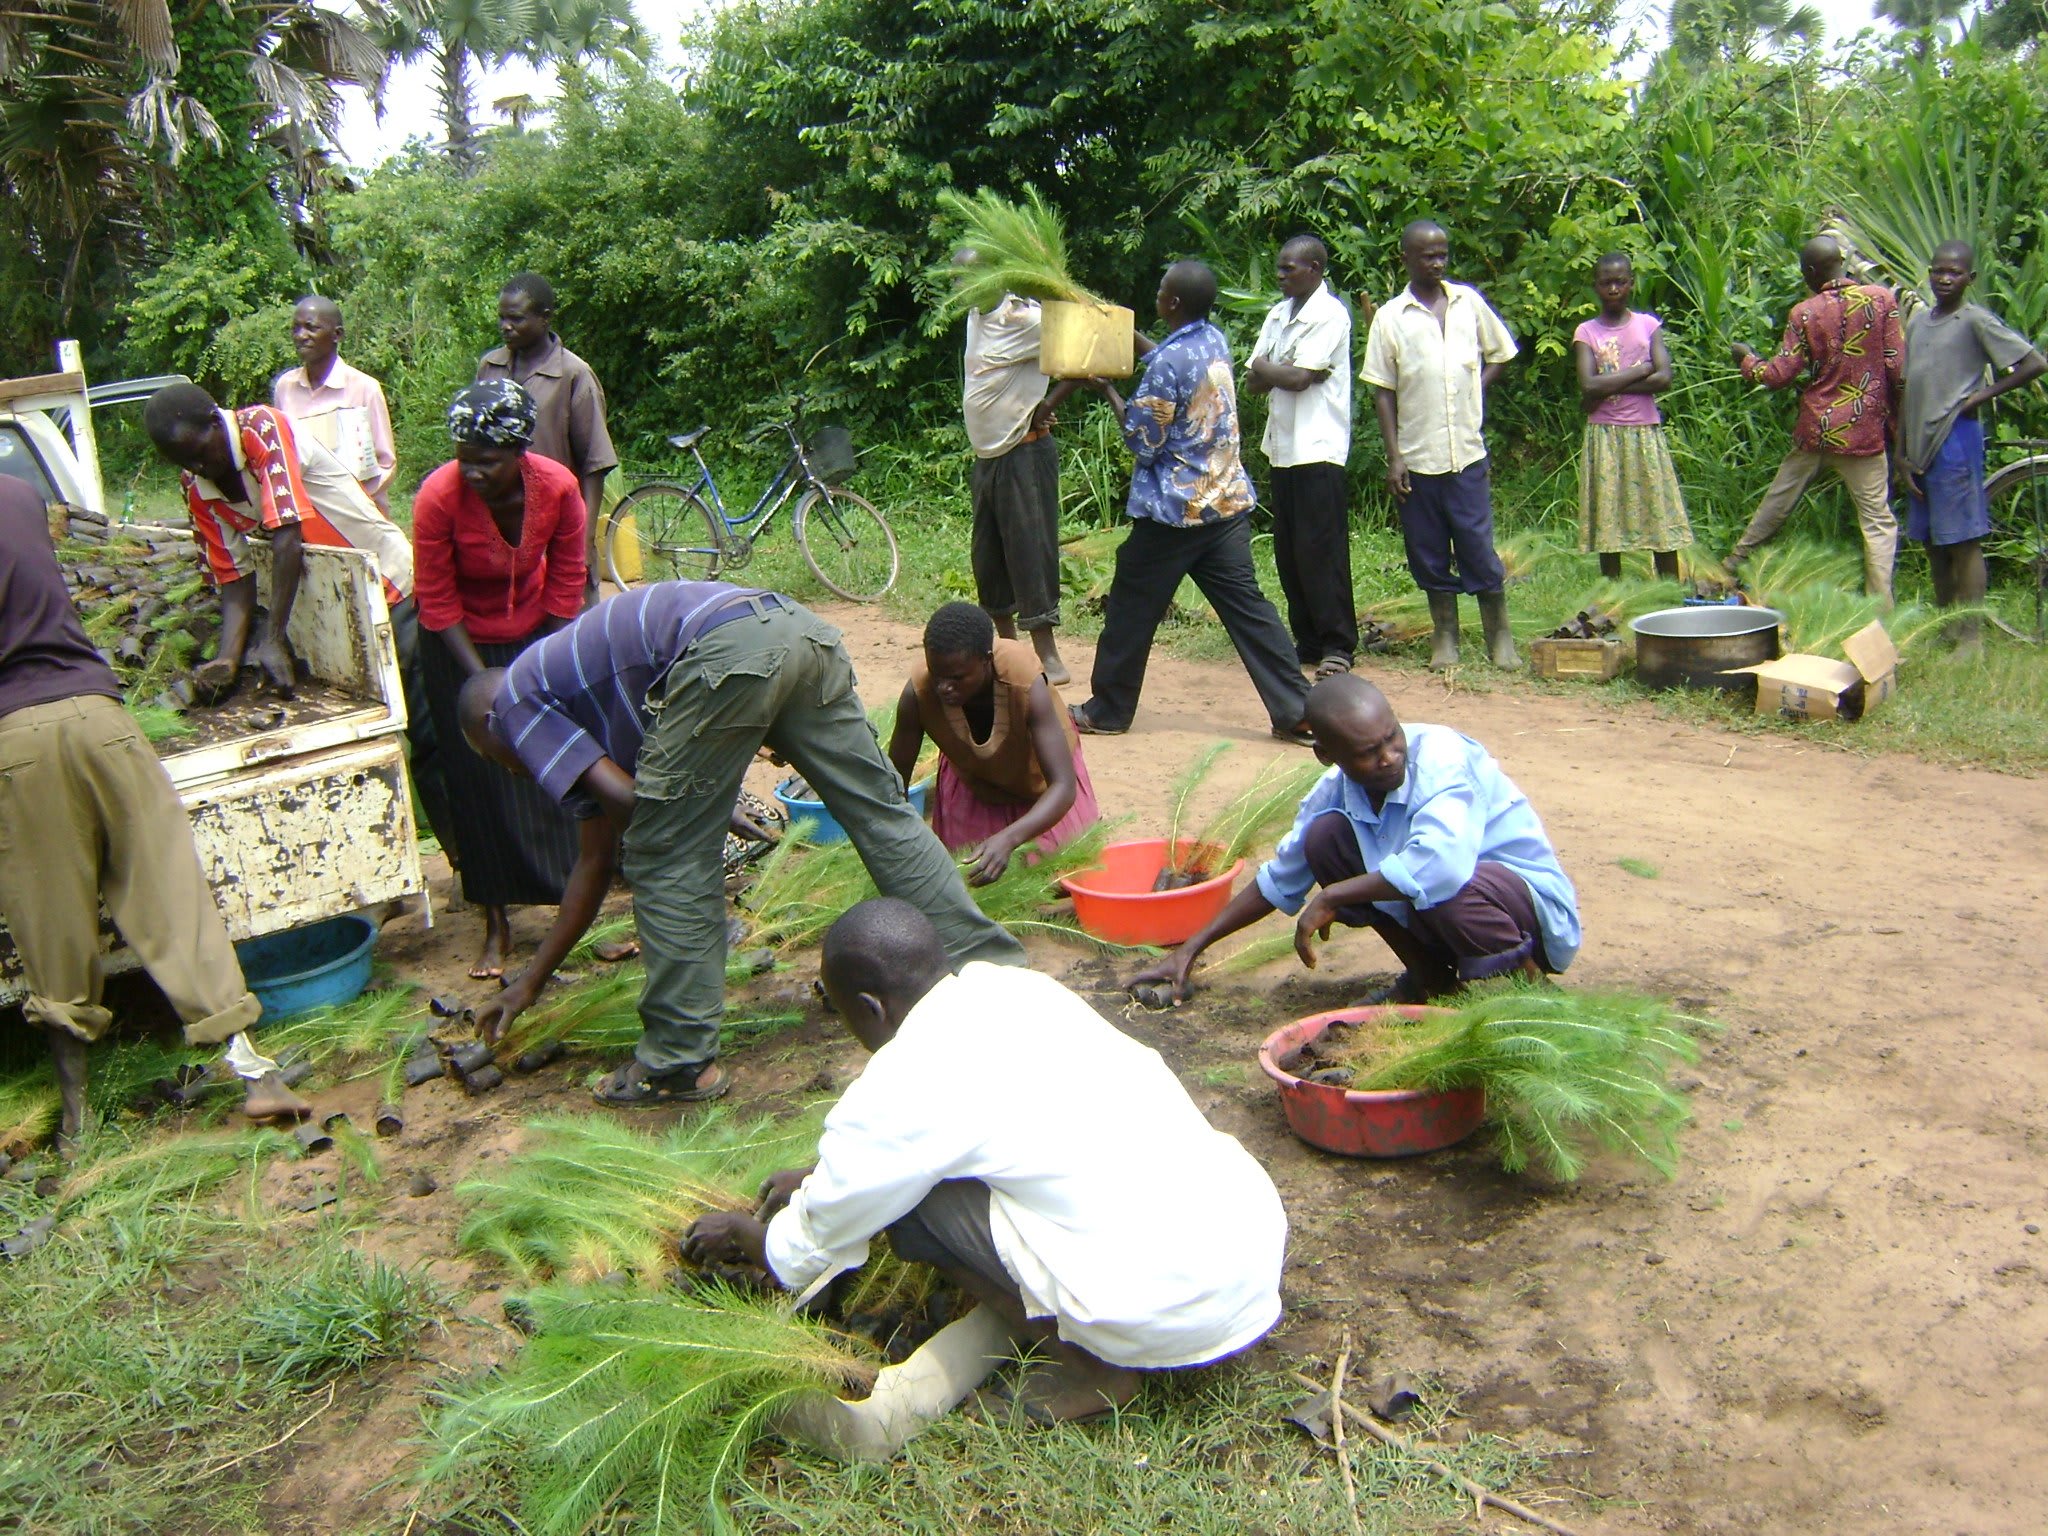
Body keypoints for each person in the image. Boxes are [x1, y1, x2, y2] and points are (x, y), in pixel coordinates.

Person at [683, 899, 1286, 1423]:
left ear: (869, 1007)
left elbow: (812, 1241)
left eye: (838, 1013)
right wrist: (817, 1177)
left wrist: (750, 1235)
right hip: (1240, 1252)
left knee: (913, 1208)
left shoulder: (904, 1080)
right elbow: (976, 1126)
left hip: (1166, 1302)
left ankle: (1089, 1370)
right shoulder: (1014, 987)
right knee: (923, 1180)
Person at [459, 581, 1026, 1106]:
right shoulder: (576, 686)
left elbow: (648, 820)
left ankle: (679, 1061)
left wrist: (706, 806)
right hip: (793, 628)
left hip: (729, 652)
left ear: (491, 724)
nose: (512, 771)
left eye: (493, 758)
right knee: (885, 816)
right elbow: (596, 856)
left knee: (665, 857)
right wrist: (527, 985)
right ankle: (994, 975)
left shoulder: (513, 703)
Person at [0, 476, 309, 1140]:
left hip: (15, 739)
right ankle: (257, 1074)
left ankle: (78, 1121)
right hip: (103, 719)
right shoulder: (16, 492)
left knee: (51, 920)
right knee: (172, 894)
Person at [1134, 675, 1580, 1006]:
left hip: (1527, 915)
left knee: (1449, 887)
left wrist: (1334, 894)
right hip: (1446, 914)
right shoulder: (1332, 791)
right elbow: (1279, 881)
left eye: (1392, 737)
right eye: (1368, 753)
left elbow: (1442, 867)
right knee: (1326, 838)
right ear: (1328, 755)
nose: (1389, 758)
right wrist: (1192, 947)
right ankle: (1432, 984)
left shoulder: (1444, 758)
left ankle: (1533, 997)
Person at [142, 383, 452, 850]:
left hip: (388, 586)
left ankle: (464, 863)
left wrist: (272, 637)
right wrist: (227, 657)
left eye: (199, 453)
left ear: (214, 421)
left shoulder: (264, 428)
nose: (198, 467)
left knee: (429, 735)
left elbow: (287, 534)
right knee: (365, 742)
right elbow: (234, 578)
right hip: (329, 615)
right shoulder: (197, 485)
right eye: (184, 462)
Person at [1069, 260, 1313, 744]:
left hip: (1174, 514)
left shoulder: (1166, 364)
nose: (1157, 295)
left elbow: (1142, 440)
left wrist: (1109, 390)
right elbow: (1172, 365)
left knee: (1130, 610)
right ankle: (1297, 711)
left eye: (1161, 290)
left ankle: (1109, 709)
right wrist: (1132, 337)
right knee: (1250, 611)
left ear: (1173, 303)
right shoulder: (1211, 341)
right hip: (1223, 506)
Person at [411, 381, 588, 980]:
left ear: (519, 452)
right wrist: (486, 680)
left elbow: (568, 582)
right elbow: (435, 601)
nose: (473, 471)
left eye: (486, 460)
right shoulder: (438, 497)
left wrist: (540, 666)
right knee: (478, 781)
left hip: (536, 633)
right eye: (464, 458)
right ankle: (496, 922)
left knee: (552, 767)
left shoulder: (559, 488)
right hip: (459, 645)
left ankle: (573, 912)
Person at [1362, 220, 1521, 670]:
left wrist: (1475, 390)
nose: (1437, 262)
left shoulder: (1468, 302)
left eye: (1442, 254)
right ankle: (1445, 635)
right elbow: (1382, 390)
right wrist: (1395, 457)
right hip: (1418, 456)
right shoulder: (1392, 317)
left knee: (1476, 543)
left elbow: (1501, 355)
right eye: (1427, 255)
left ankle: (1499, 635)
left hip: (1466, 453)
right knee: (1427, 548)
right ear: (1406, 259)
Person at [1726, 235, 1905, 603]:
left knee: (1779, 499)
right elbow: (1896, 369)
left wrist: (1747, 359)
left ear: (1809, 272)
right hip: (1863, 432)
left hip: (1817, 429)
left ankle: (1733, 563)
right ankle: (1880, 607)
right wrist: (1895, 422)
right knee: (1877, 522)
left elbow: (1778, 376)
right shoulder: (1882, 300)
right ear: (1842, 261)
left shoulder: (1805, 313)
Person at [1897, 240, 2046, 654]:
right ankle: (1947, 624)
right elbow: (1908, 389)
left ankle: (1971, 636)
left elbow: (2033, 363)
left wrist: (1979, 397)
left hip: (1955, 441)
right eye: (1938, 270)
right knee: (1932, 542)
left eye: (1955, 272)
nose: (1945, 278)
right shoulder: (1920, 323)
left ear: (1970, 279)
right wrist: (1900, 454)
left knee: (1963, 541)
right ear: (1929, 273)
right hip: (1919, 447)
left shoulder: (1974, 320)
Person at [887, 602, 1100, 886]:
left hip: (1040, 784)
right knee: (968, 877)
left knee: (1061, 878)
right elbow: (892, 785)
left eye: (957, 678)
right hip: (977, 783)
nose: (944, 687)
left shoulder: (1025, 683)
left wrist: (1009, 838)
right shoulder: (919, 694)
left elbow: (1062, 787)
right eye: (937, 675)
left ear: (987, 660)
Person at [1246, 234, 1357, 679]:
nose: (1280, 275)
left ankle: (1338, 645)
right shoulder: (1278, 314)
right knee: (1290, 552)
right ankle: (1307, 639)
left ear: (1315, 269)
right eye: (1279, 267)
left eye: (1289, 268)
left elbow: (1295, 378)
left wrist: (1280, 372)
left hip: (1319, 446)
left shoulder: (1330, 315)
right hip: (1283, 446)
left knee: (1322, 550)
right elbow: (1257, 378)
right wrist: (1284, 372)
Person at [961, 278, 1078, 684]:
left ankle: (1050, 659)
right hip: (988, 457)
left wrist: (1047, 404)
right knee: (987, 557)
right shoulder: (977, 315)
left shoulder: (1026, 319)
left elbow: (1088, 352)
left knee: (1030, 552)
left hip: (1024, 453)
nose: (960, 286)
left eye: (966, 278)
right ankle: (1007, 651)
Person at [476, 272, 619, 597]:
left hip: (558, 526)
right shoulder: (490, 368)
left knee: (570, 627)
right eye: (501, 318)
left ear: (544, 318)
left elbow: (594, 463)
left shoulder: (573, 375)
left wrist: (584, 540)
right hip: (500, 524)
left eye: (516, 318)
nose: (506, 326)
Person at [1572, 253, 1692, 580]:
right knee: (1608, 518)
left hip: (1645, 430)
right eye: (1606, 282)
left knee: (1660, 513)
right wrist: (1641, 370)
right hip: (1604, 433)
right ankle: (1613, 596)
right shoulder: (1586, 332)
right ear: (1595, 286)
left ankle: (1668, 590)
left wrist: (1607, 385)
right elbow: (1587, 383)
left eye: (1620, 281)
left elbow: (1664, 378)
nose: (1613, 288)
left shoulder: (1648, 325)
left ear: (1631, 283)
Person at [272, 295, 397, 513]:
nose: (301, 336)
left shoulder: (364, 388)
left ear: (337, 335)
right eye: (296, 328)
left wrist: (350, 501)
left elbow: (386, 464)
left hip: (358, 514)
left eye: (311, 328)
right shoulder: (285, 387)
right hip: (306, 512)